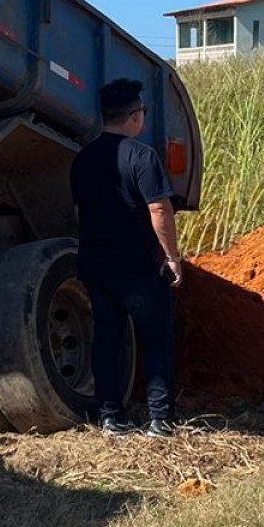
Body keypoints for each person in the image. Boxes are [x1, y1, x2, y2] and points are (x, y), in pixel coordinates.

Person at [71, 78, 185, 437]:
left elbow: (79, 213)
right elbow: (159, 209)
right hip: (136, 266)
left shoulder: (82, 159)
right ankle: (159, 419)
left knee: (107, 338)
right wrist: (172, 257)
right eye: (143, 112)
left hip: (96, 265)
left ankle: (111, 416)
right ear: (135, 116)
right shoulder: (141, 156)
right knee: (156, 337)